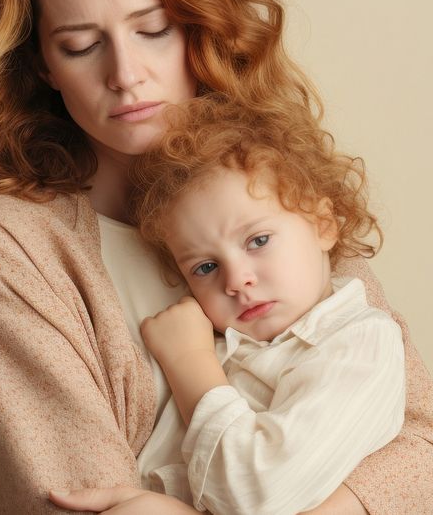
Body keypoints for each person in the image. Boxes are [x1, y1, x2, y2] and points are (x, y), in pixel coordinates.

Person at [0, 0, 433, 515]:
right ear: (43, 63)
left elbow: (423, 452)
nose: (126, 74)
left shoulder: (274, 190)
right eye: (80, 45)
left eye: (152, 30)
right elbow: (74, 499)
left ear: (197, 25)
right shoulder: (8, 246)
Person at [127, 94, 407, 515]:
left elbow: (260, 494)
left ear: (324, 225)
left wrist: (189, 362)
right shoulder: (226, 342)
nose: (237, 280)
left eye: (258, 241)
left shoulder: (360, 344)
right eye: (205, 267)